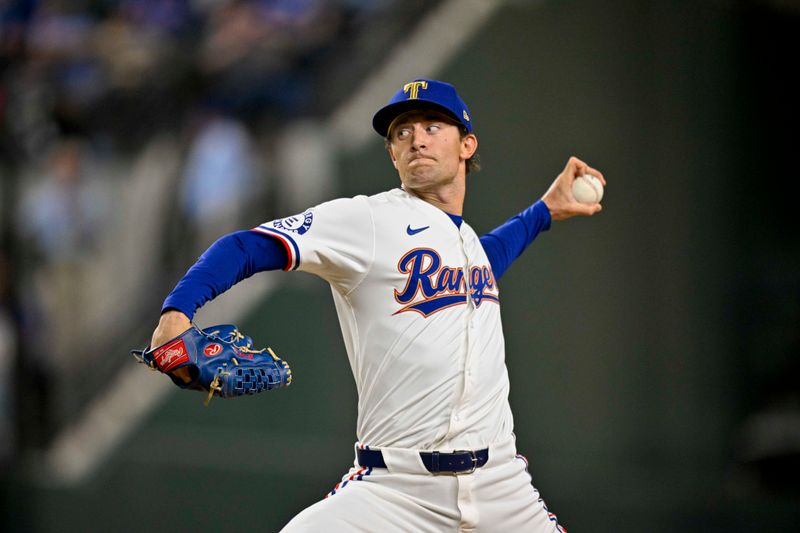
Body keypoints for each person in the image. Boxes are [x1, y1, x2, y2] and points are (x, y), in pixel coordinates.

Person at [149, 79, 605, 532]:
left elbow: (489, 256)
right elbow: (246, 246)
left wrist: (544, 210)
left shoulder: (465, 243)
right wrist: (177, 313)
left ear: (467, 145)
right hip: (395, 492)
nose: (415, 138)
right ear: (392, 155)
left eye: (431, 126)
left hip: (502, 486)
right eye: (401, 132)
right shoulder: (366, 220)